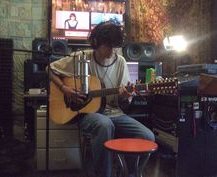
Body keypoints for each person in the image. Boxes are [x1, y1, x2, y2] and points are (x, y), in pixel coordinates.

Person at [48, 21, 155, 177]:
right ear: (96, 42)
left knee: (148, 137)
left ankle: (128, 174)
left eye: (116, 46)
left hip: (115, 114)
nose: (113, 51)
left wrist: (125, 97)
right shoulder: (81, 57)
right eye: (108, 46)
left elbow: (124, 103)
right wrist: (65, 89)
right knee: (105, 124)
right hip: (88, 114)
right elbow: (49, 69)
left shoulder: (120, 62)